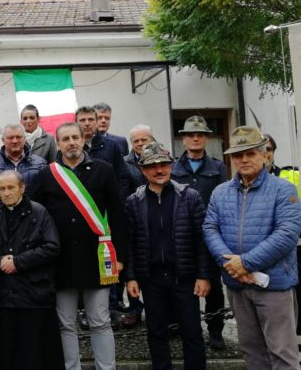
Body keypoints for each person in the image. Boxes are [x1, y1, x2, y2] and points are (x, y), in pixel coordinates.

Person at [204, 126, 301, 369]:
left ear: (264, 155)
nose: (244, 160)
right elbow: (210, 229)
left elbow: (287, 234)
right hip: (237, 283)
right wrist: (232, 265)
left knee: (282, 353)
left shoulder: (283, 189)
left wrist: (245, 262)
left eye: (250, 153)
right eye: (238, 155)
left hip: (274, 284)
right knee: (251, 351)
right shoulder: (220, 192)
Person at [33, 122, 126, 370]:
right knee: (65, 323)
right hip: (60, 260)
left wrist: (120, 256)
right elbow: (36, 216)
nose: (72, 142)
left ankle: (106, 368)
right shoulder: (47, 174)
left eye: (75, 137)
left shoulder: (103, 170)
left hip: (97, 259)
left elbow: (118, 215)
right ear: (59, 143)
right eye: (66, 139)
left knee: (100, 321)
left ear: (83, 140)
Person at [124, 142, 210, 369]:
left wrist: (204, 275)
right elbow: (130, 242)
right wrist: (131, 277)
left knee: (191, 332)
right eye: (152, 166)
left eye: (163, 164)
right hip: (151, 279)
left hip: (184, 277)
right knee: (156, 333)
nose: (159, 170)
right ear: (143, 171)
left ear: (171, 167)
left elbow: (202, 240)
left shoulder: (190, 197)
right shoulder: (134, 201)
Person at [0, 170, 64, 369]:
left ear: (22, 188)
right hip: (7, 297)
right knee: (10, 354)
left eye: (11, 187)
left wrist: (18, 262)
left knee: (35, 354)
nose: (6, 193)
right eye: (2, 189)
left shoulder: (39, 212)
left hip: (34, 296)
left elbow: (52, 247)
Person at [170, 115, 228, 350]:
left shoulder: (218, 167)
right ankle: (183, 325)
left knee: (212, 286)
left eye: (200, 134)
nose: (195, 138)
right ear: (183, 139)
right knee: (182, 284)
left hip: (209, 234)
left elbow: (224, 200)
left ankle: (215, 331)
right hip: (181, 235)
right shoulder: (173, 167)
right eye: (190, 135)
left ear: (206, 138)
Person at [119, 124, 154, 329]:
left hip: (157, 217)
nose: (140, 144)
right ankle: (134, 307)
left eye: (144, 140)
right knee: (132, 264)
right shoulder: (124, 164)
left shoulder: (163, 158)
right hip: (133, 217)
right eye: (136, 141)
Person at [0, 123, 47, 207]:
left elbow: (47, 195)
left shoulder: (40, 164)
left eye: (18, 137)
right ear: (3, 140)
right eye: (10, 138)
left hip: (32, 217)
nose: (15, 141)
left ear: (24, 139)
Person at [76, 106, 130, 200]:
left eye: (91, 119)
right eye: (82, 120)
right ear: (76, 123)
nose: (87, 123)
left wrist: (118, 202)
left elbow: (122, 178)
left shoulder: (112, 146)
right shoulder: (72, 148)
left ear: (97, 122)